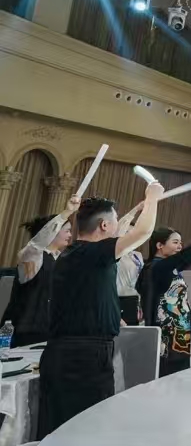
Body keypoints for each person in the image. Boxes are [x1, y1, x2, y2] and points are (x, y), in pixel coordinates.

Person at [38, 181, 163, 437]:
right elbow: (142, 233)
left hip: (70, 354)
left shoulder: (77, 255)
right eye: (115, 221)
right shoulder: (91, 253)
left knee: (66, 430)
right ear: (104, 225)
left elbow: (89, 297)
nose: (119, 226)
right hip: (83, 359)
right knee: (86, 431)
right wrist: (153, 198)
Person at [137, 217, 191, 375]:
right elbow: (190, 252)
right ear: (159, 245)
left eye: (180, 243)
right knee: (168, 377)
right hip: (167, 336)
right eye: (175, 242)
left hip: (180, 335)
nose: (179, 246)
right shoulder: (157, 267)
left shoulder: (170, 266)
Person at [3, 198, 77, 347]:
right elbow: (36, 244)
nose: (70, 235)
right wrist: (66, 212)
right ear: (53, 232)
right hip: (24, 332)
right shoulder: (31, 255)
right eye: (67, 231)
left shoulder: (60, 259)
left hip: (50, 330)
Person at [115, 203, 145, 325]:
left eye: (132, 234)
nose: (130, 237)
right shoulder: (117, 254)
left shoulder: (137, 255)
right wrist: (135, 209)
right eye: (127, 233)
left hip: (136, 298)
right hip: (120, 298)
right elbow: (118, 231)